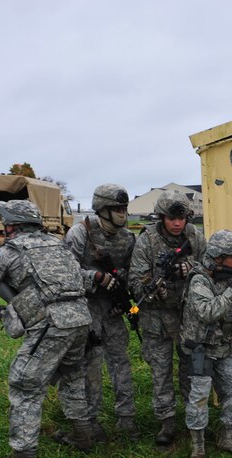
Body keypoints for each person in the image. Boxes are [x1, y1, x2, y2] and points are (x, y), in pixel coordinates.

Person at [0, 200, 92, 458]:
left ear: (11, 225)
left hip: (52, 326)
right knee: (72, 376)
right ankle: (82, 435)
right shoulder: (58, 244)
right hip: (81, 319)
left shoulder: (9, 252)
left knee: (24, 386)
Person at [129, 190, 206, 446]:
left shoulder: (195, 237)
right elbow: (135, 279)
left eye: (181, 217)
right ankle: (167, 421)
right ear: (161, 217)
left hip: (188, 316)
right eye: (171, 218)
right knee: (160, 371)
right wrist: (152, 286)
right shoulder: (147, 241)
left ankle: (194, 419)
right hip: (157, 318)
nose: (177, 223)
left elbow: (210, 269)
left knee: (191, 370)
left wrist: (190, 268)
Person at [61, 184, 138, 442]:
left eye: (124, 208)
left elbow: (132, 273)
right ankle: (91, 422)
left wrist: (123, 297)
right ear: (102, 209)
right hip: (86, 307)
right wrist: (95, 276)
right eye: (116, 209)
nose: (122, 214)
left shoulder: (128, 238)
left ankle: (126, 419)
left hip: (114, 308)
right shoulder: (80, 233)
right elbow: (65, 273)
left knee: (121, 361)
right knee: (91, 365)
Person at [181, 230, 232, 458]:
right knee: (200, 397)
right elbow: (208, 312)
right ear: (218, 256)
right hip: (201, 349)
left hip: (225, 346)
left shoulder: (231, 272)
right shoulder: (199, 279)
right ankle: (198, 444)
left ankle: (227, 436)